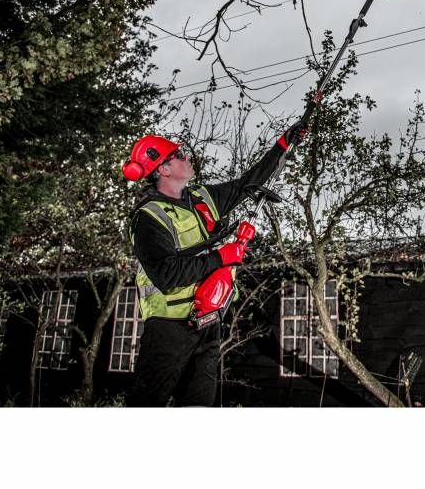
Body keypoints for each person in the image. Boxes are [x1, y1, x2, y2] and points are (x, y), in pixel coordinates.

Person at [121, 122, 305, 406]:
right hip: (169, 327)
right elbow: (166, 275)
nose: (186, 157)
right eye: (178, 155)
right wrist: (221, 257)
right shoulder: (148, 218)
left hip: (207, 321)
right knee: (147, 405)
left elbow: (246, 184)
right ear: (163, 169)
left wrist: (282, 146)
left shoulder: (201, 199)